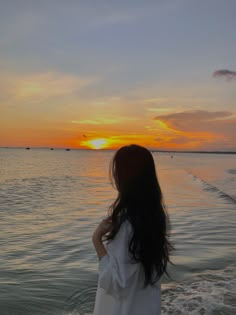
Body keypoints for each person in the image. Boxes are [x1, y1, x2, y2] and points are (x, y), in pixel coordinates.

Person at [92, 144, 173, 315]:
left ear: (125, 176)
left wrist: (97, 239)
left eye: (117, 170)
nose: (114, 175)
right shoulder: (156, 218)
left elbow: (116, 283)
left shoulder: (127, 224)